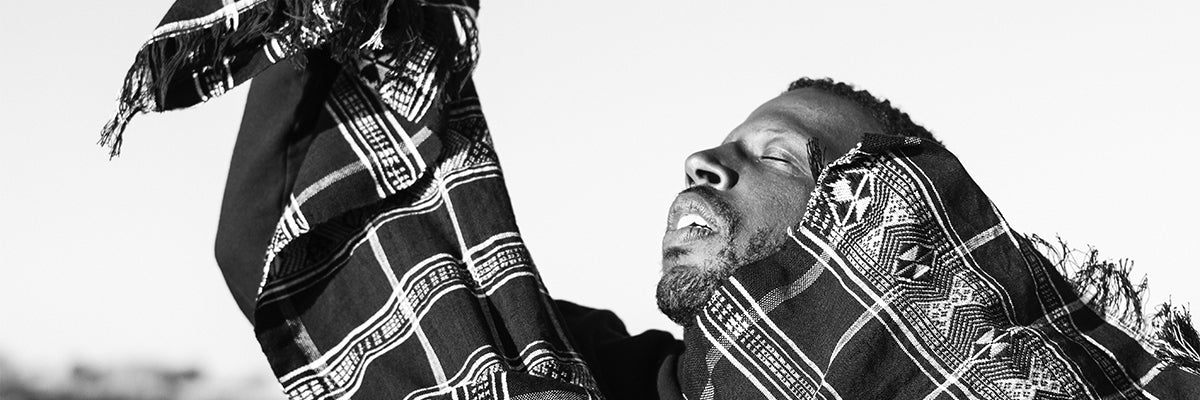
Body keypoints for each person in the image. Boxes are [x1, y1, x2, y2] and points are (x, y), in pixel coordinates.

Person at [100, 0, 1199, 398]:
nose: (700, 164)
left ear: (887, 220)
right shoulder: (598, 381)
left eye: (775, 154)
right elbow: (324, 253)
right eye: (714, 147)